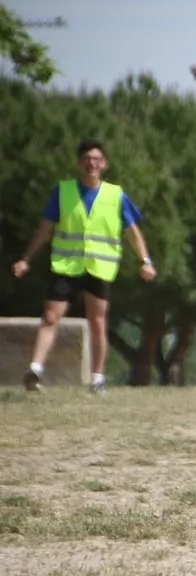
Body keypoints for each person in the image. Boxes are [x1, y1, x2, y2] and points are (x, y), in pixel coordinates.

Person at [11, 139, 157, 394]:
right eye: (87, 159)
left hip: (99, 268)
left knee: (98, 322)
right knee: (50, 317)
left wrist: (145, 261)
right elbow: (45, 229)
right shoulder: (63, 191)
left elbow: (133, 232)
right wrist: (26, 258)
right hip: (67, 265)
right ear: (79, 163)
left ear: (104, 164)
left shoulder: (115, 195)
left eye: (97, 159)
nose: (92, 163)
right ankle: (35, 369)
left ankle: (98, 378)